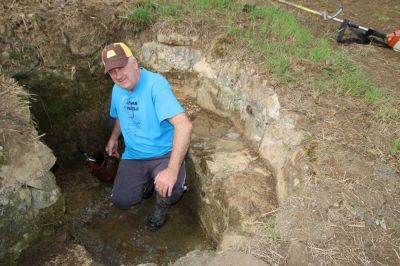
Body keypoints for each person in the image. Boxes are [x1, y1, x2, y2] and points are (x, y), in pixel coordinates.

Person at [101, 42, 192, 230]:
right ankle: (149, 182)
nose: (118, 76)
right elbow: (120, 116)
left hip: (163, 154)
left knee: (171, 190)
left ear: (133, 63)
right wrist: (113, 139)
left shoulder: (155, 85)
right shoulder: (117, 89)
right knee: (121, 200)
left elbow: (184, 126)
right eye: (112, 72)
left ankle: (161, 207)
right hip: (134, 155)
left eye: (121, 67)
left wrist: (172, 170)